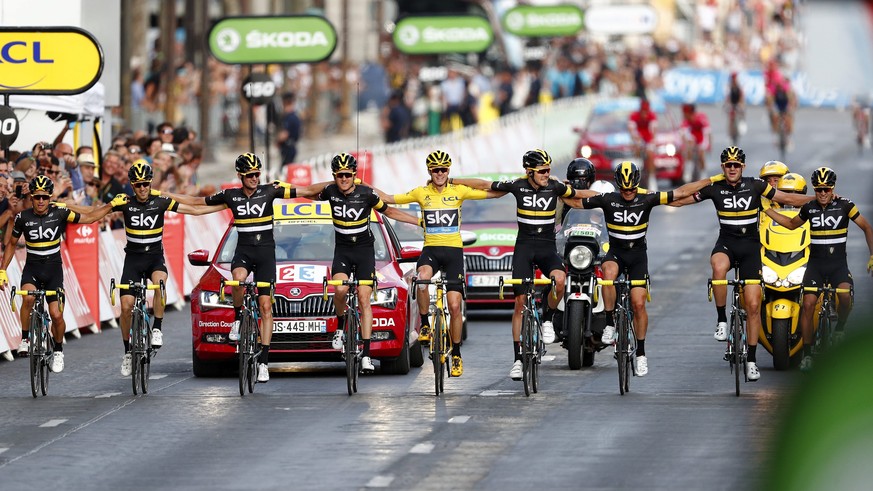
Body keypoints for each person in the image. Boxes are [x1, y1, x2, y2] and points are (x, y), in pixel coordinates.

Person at [164, 153, 326, 383]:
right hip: (243, 252)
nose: (254, 178)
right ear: (240, 175)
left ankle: (263, 363)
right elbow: (199, 205)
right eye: (250, 175)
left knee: (265, 305)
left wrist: (338, 181)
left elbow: (307, 191)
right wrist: (165, 197)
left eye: (257, 174)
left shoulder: (270, 191)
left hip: (265, 256)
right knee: (237, 279)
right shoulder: (231, 196)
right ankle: (239, 318)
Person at [562, 162, 724, 377]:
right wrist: (557, 189)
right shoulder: (608, 199)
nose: (628, 193)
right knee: (608, 275)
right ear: (619, 186)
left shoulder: (646, 197)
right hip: (616, 253)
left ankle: (640, 353)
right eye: (624, 189)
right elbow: (578, 200)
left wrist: (712, 180)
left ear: (637, 185)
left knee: (638, 304)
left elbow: (679, 193)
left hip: (638, 257)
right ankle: (609, 323)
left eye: (631, 189)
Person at [66, 161, 225, 376]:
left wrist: (225, 205)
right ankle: (127, 352)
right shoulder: (124, 202)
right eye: (138, 185)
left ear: (150, 183)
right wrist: (63, 205)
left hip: (154, 259)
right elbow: (92, 214)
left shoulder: (160, 201)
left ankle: (157, 327)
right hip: (132, 260)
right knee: (125, 306)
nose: (142, 188)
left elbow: (194, 209)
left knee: (160, 284)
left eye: (145, 184)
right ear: (132, 185)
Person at [668, 146, 813, 381]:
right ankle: (722, 320)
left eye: (736, 165)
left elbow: (786, 198)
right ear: (723, 167)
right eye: (728, 165)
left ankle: (752, 361)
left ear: (743, 167)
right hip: (726, 243)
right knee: (718, 266)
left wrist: (818, 199)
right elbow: (681, 197)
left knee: (754, 305)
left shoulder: (756, 185)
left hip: (749, 248)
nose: (732, 168)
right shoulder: (715, 187)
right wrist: (656, 200)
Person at [453, 150, 599, 380]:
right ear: (529, 171)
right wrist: (453, 180)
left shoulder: (556, 186)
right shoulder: (518, 185)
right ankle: (518, 360)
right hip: (524, 248)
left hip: (547, 248)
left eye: (548, 170)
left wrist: (614, 197)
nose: (546, 174)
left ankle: (548, 319)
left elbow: (581, 194)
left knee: (560, 280)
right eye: (542, 171)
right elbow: (483, 185)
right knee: (520, 302)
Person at [374, 150, 502, 377]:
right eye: (436, 170)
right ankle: (424, 323)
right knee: (421, 279)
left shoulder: (458, 190)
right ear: (429, 172)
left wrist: (457, 180)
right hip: (431, 250)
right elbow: (389, 200)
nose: (440, 173)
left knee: (454, 307)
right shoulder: (421, 192)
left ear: (448, 171)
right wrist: (362, 184)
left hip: (454, 253)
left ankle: (456, 355)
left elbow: (492, 192)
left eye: (444, 170)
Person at [293, 153, 420, 372]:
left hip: (364, 251)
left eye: (348, 175)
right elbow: (309, 192)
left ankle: (367, 354)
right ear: (335, 176)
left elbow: (389, 210)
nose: (344, 180)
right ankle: (341, 329)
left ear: (354, 175)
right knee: (340, 290)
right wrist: (284, 187)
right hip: (342, 251)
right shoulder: (331, 191)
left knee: (363, 297)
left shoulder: (367, 194)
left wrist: (418, 221)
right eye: (339, 176)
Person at [0, 176, 124, 368]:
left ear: (50, 197)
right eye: (37, 197)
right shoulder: (22, 218)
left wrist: (111, 206)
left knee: (56, 315)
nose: (41, 201)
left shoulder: (60, 213)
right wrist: (2, 271)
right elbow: (11, 244)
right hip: (32, 268)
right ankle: (25, 339)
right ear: (31, 197)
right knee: (28, 299)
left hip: (53, 271)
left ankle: (58, 350)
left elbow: (90, 217)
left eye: (44, 197)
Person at [763, 167, 873, 371]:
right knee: (808, 304)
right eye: (819, 189)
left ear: (833, 189)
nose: (823, 193)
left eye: (826, 189)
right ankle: (807, 353)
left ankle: (840, 328)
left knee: (845, 296)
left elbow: (867, 227)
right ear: (815, 189)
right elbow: (789, 224)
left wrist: (872, 255)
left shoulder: (845, 205)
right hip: (815, 266)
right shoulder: (809, 208)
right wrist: (767, 210)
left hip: (838, 265)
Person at [628, 98, 658, 191]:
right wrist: (638, 141)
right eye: (643, 111)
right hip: (638, 138)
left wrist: (650, 143)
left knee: (650, 153)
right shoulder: (634, 116)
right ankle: (635, 176)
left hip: (648, 138)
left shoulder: (652, 116)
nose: (645, 114)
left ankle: (652, 179)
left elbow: (653, 131)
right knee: (635, 149)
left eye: (646, 111)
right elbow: (632, 131)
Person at [680, 103, 711, 179]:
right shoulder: (685, 121)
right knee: (689, 145)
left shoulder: (701, 118)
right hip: (692, 137)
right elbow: (683, 134)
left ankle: (703, 172)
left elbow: (707, 133)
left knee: (701, 153)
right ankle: (688, 169)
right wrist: (685, 146)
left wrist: (707, 145)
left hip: (702, 137)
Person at [277, 92, 301, 165]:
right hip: (290, 147)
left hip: (288, 148)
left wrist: (278, 140)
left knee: (285, 169)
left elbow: (285, 134)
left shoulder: (290, 117)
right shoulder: (294, 116)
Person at [725, 72, 745, 145]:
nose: (734, 80)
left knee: (741, 112)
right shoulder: (729, 87)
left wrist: (741, 104)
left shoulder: (739, 86)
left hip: (738, 103)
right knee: (730, 118)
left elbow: (741, 96)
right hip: (732, 103)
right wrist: (728, 105)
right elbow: (728, 97)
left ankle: (742, 124)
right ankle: (730, 134)